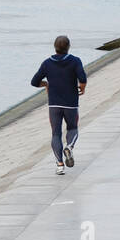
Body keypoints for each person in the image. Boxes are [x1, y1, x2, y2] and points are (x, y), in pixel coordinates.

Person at [30, 35, 87, 175]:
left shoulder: (47, 63)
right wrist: (82, 87)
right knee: (73, 128)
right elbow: (82, 78)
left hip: (54, 104)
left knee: (55, 134)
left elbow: (34, 81)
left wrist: (46, 84)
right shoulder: (75, 61)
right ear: (68, 47)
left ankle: (60, 165)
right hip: (71, 104)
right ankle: (69, 147)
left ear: (55, 47)